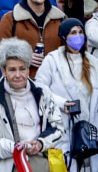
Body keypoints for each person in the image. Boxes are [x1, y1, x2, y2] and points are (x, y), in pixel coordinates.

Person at [0, 38, 65, 172]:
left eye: (22, 69)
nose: (18, 75)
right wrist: (16, 148)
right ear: (3, 71)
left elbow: (58, 128)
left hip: (41, 162)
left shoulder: (43, 92)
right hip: (6, 165)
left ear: (28, 68)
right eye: (12, 70)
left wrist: (40, 143)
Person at [35, 19, 98, 171]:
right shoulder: (52, 60)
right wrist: (61, 103)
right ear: (64, 36)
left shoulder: (93, 62)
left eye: (80, 32)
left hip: (89, 128)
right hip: (64, 127)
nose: (78, 36)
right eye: (73, 33)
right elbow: (39, 87)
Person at [0, 0, 66, 79]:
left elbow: (70, 52)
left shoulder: (60, 18)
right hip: (22, 83)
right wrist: (23, 58)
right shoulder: (11, 19)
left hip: (54, 83)